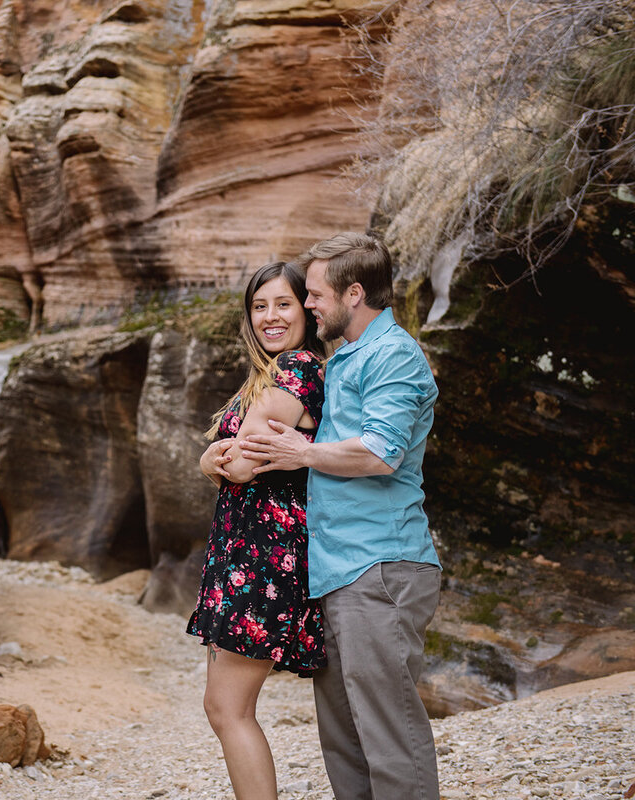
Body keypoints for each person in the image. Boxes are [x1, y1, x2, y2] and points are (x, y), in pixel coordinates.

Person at [240, 232, 442, 800]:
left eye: (316, 294)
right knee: (345, 741)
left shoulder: (393, 354)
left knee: (389, 734)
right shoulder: (346, 358)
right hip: (336, 573)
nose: (307, 305)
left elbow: (381, 452)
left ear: (354, 293)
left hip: (381, 566)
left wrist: (300, 452)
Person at [187, 261, 327, 800]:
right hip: (244, 554)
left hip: (266, 561)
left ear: (306, 311)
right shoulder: (269, 375)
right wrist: (210, 460)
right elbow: (228, 458)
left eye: (283, 304)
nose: (270, 316)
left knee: (228, 707)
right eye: (259, 306)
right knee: (226, 707)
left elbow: (240, 465)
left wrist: (211, 461)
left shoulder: (297, 369)